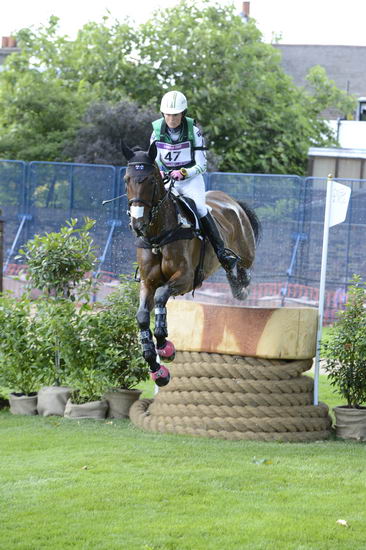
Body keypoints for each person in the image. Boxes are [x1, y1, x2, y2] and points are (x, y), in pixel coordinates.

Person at [151, 90, 237, 272]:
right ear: (163, 114)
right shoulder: (156, 131)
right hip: (167, 179)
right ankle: (149, 254)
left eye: (175, 115)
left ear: (183, 114)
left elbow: (201, 165)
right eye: (168, 114)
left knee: (199, 207)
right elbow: (155, 158)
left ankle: (222, 252)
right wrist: (159, 169)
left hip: (190, 180)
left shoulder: (194, 131)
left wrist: (184, 172)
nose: (172, 119)